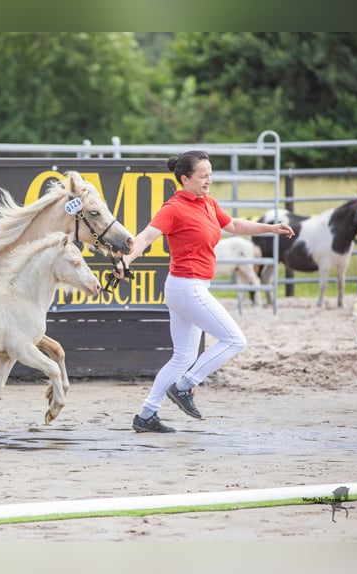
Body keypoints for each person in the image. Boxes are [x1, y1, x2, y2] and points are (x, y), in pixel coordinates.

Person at [113, 150, 295, 433]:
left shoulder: (207, 203)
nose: (209, 180)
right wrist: (125, 259)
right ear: (185, 179)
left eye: (210, 174)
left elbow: (233, 225)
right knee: (235, 340)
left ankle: (147, 415)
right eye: (203, 176)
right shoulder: (173, 208)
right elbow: (146, 237)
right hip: (187, 286)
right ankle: (185, 386)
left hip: (188, 287)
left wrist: (270, 228)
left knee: (183, 357)